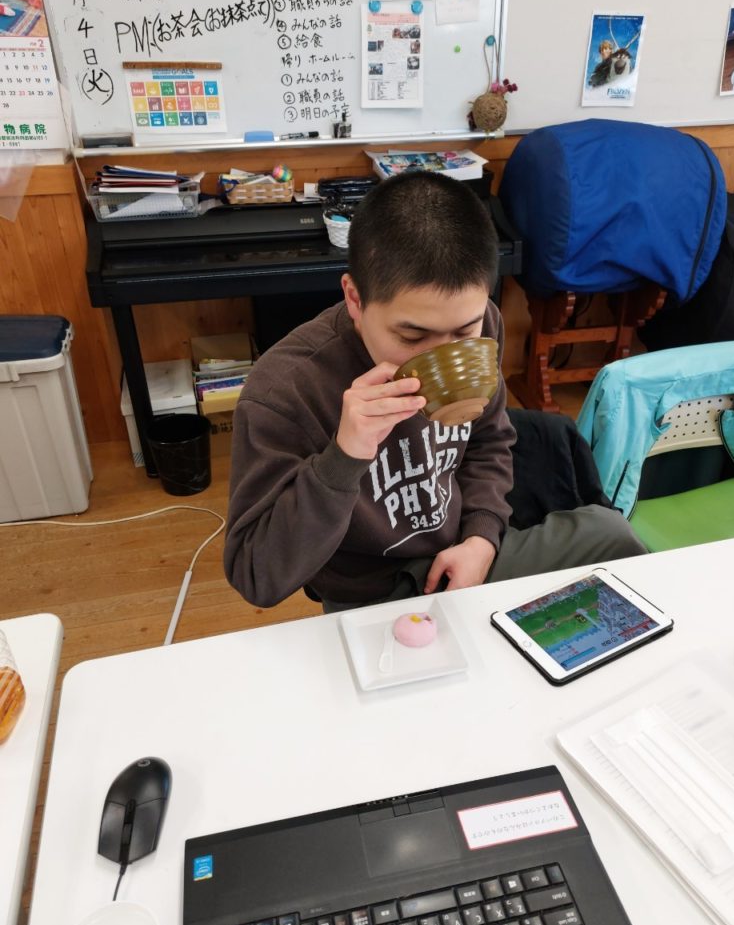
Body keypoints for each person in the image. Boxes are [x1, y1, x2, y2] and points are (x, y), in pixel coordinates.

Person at [224, 172, 645, 612]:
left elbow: (489, 441)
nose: (443, 356)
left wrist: (481, 538)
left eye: (464, 331)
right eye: (412, 336)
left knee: (614, 538)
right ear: (355, 300)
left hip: (460, 551)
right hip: (370, 594)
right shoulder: (285, 390)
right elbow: (256, 576)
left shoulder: (484, 323)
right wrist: (344, 457)